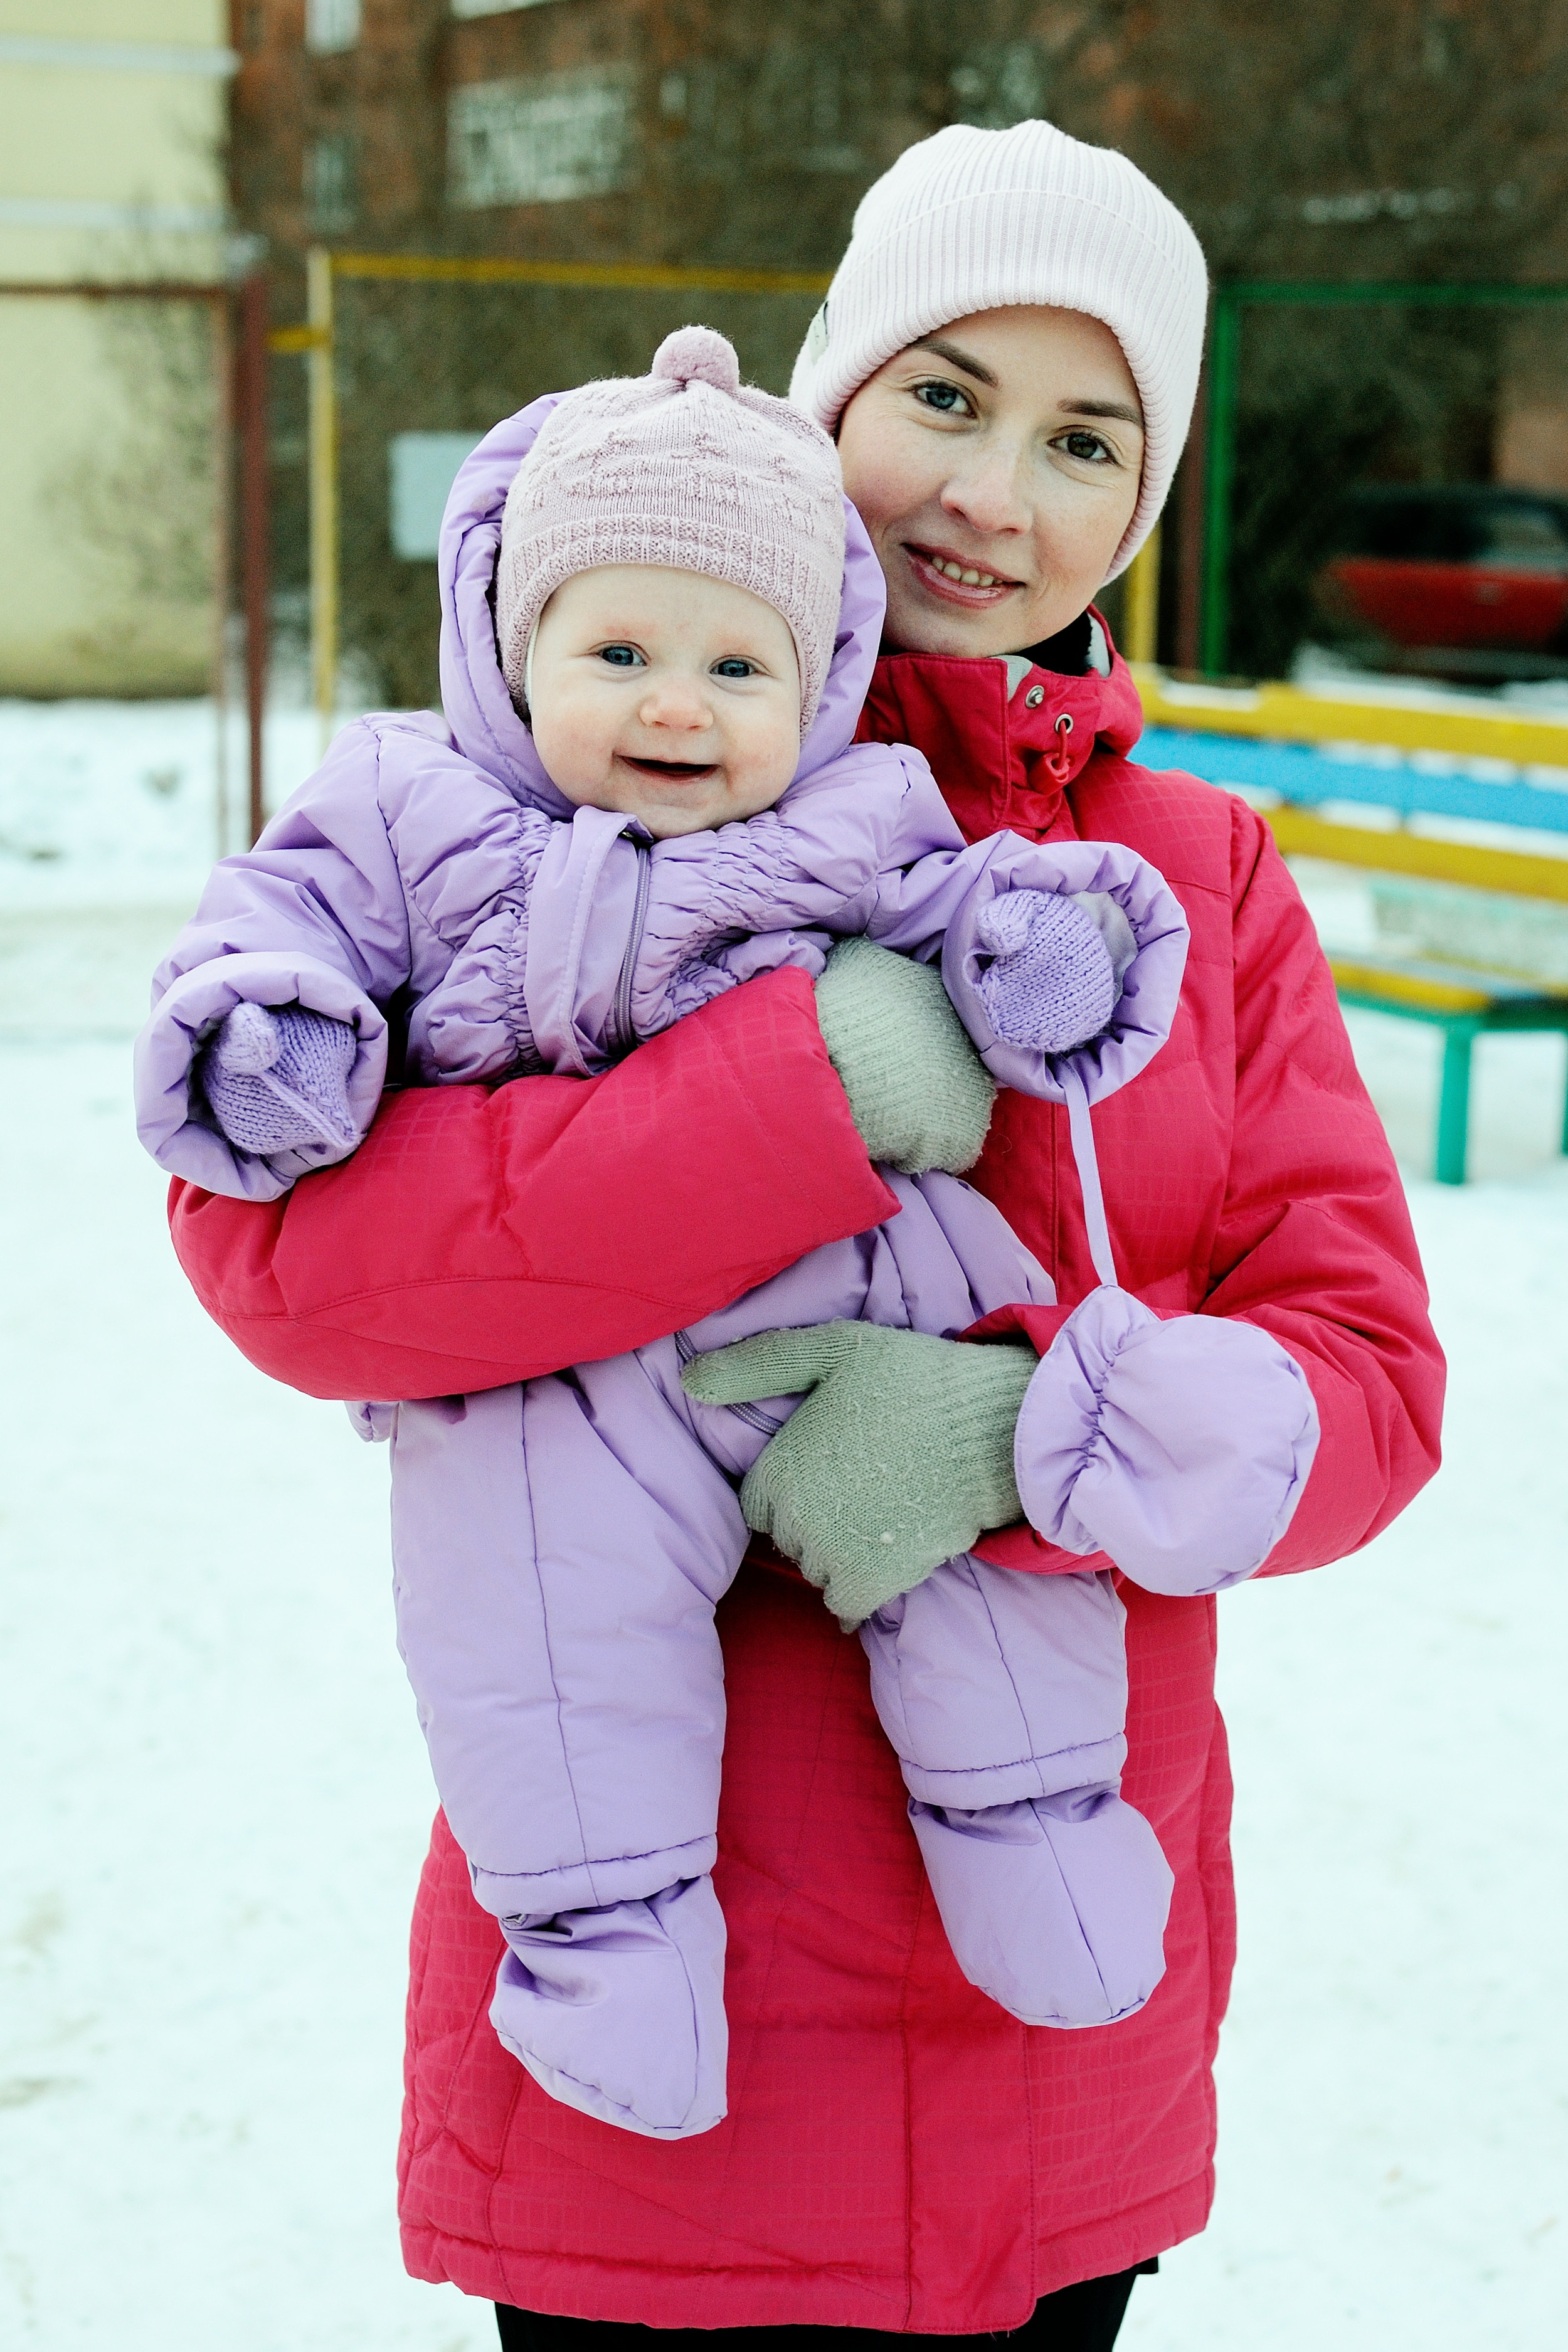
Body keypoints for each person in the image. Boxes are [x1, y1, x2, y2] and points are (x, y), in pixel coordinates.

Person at [159, 122, 1443, 2345]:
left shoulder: (1199, 877)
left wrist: (1035, 1438)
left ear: (1134, 504)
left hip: (1048, 2023)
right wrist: (804, 1101)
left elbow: (1368, 1381)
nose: (988, 494)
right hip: (656, 2034)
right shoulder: (537, 788)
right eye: (941, 396)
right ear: (826, 390)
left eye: (1081, 437)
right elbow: (296, 1277)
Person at [135, 320, 1271, 2137]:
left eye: (737, 665)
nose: (678, 705)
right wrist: (278, 1040)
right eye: (617, 654)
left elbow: (970, 906)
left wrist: (1034, 969)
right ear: (512, 654)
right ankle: (603, 1940)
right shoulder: (409, 804)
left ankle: (1040, 1825)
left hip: (866, 1315)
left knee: (970, 1593)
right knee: (529, 1606)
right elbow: (281, 955)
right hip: (550, 1392)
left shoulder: (877, 809)